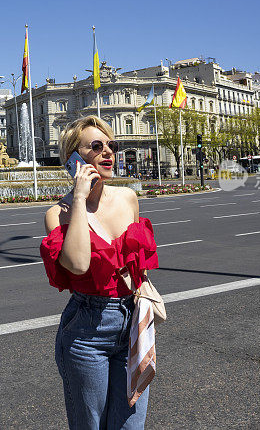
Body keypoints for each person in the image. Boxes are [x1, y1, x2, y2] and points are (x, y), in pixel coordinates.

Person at [40, 115, 159, 429]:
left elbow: (138, 266)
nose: (108, 152)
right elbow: (78, 263)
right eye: (96, 146)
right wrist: (79, 197)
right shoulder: (58, 214)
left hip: (132, 323)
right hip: (86, 334)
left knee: (130, 425)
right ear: (74, 160)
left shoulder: (128, 199)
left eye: (111, 145)